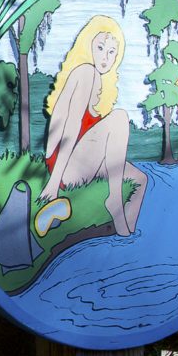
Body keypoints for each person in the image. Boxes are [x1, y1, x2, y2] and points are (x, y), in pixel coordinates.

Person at [38, 14, 148, 239]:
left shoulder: (99, 83)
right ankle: (114, 200)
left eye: (111, 52)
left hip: (87, 162)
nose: (105, 57)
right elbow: (69, 128)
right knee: (119, 117)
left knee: (141, 180)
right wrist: (54, 183)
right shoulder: (85, 72)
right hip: (67, 167)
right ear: (87, 44)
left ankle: (128, 240)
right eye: (100, 48)